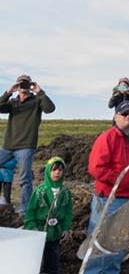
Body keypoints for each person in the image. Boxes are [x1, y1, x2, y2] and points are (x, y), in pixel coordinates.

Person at [86, 100, 129, 273]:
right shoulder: (108, 138)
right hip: (109, 199)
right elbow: (96, 167)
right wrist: (121, 179)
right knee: (101, 241)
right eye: (124, 114)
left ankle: (112, 271)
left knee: (119, 242)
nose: (128, 117)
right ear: (115, 117)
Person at [0, 74, 56, 215]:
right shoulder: (12, 102)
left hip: (25, 146)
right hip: (8, 145)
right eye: (20, 84)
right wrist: (8, 92)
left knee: (25, 179)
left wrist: (40, 91)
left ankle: (25, 211)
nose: (23, 87)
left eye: (26, 84)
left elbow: (50, 109)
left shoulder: (37, 101)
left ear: (30, 85)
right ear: (17, 86)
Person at [24, 156, 73, 274]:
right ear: (48, 171)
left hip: (55, 235)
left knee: (52, 262)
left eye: (60, 170)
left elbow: (68, 212)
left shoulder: (65, 192)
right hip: (39, 233)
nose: (57, 172)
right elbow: (30, 211)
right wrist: (32, 227)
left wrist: (66, 228)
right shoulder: (40, 191)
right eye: (54, 169)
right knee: (35, 263)